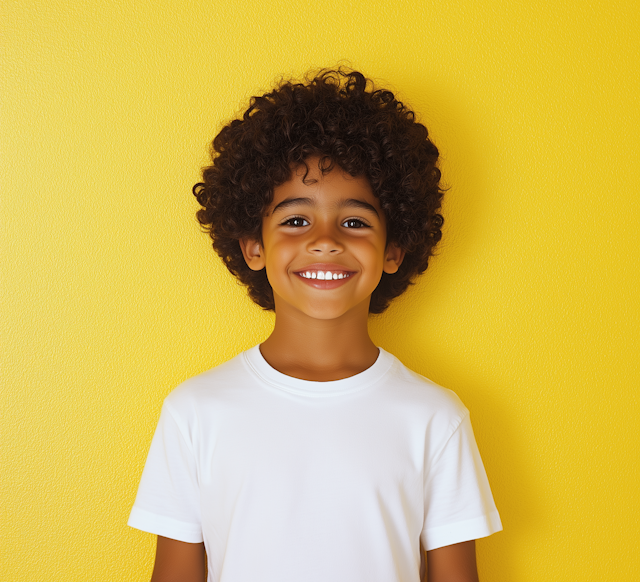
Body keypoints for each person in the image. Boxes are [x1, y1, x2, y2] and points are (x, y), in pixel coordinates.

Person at [128, 69, 502, 582]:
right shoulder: (195, 413)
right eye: (296, 220)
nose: (325, 240)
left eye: (354, 221)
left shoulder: (434, 418)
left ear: (393, 249)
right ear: (253, 246)